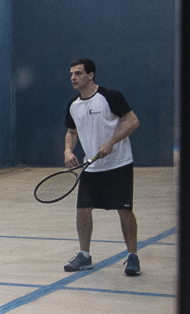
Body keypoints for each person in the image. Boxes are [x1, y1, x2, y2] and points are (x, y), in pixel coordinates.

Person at [61, 57, 143, 276]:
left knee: (124, 210)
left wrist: (112, 142)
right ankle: (84, 256)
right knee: (82, 210)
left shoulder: (110, 96)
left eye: (78, 73)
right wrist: (68, 151)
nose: (73, 78)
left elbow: (133, 121)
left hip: (118, 164)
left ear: (91, 75)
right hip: (91, 167)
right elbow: (71, 132)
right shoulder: (73, 105)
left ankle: (132, 256)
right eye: (71, 74)